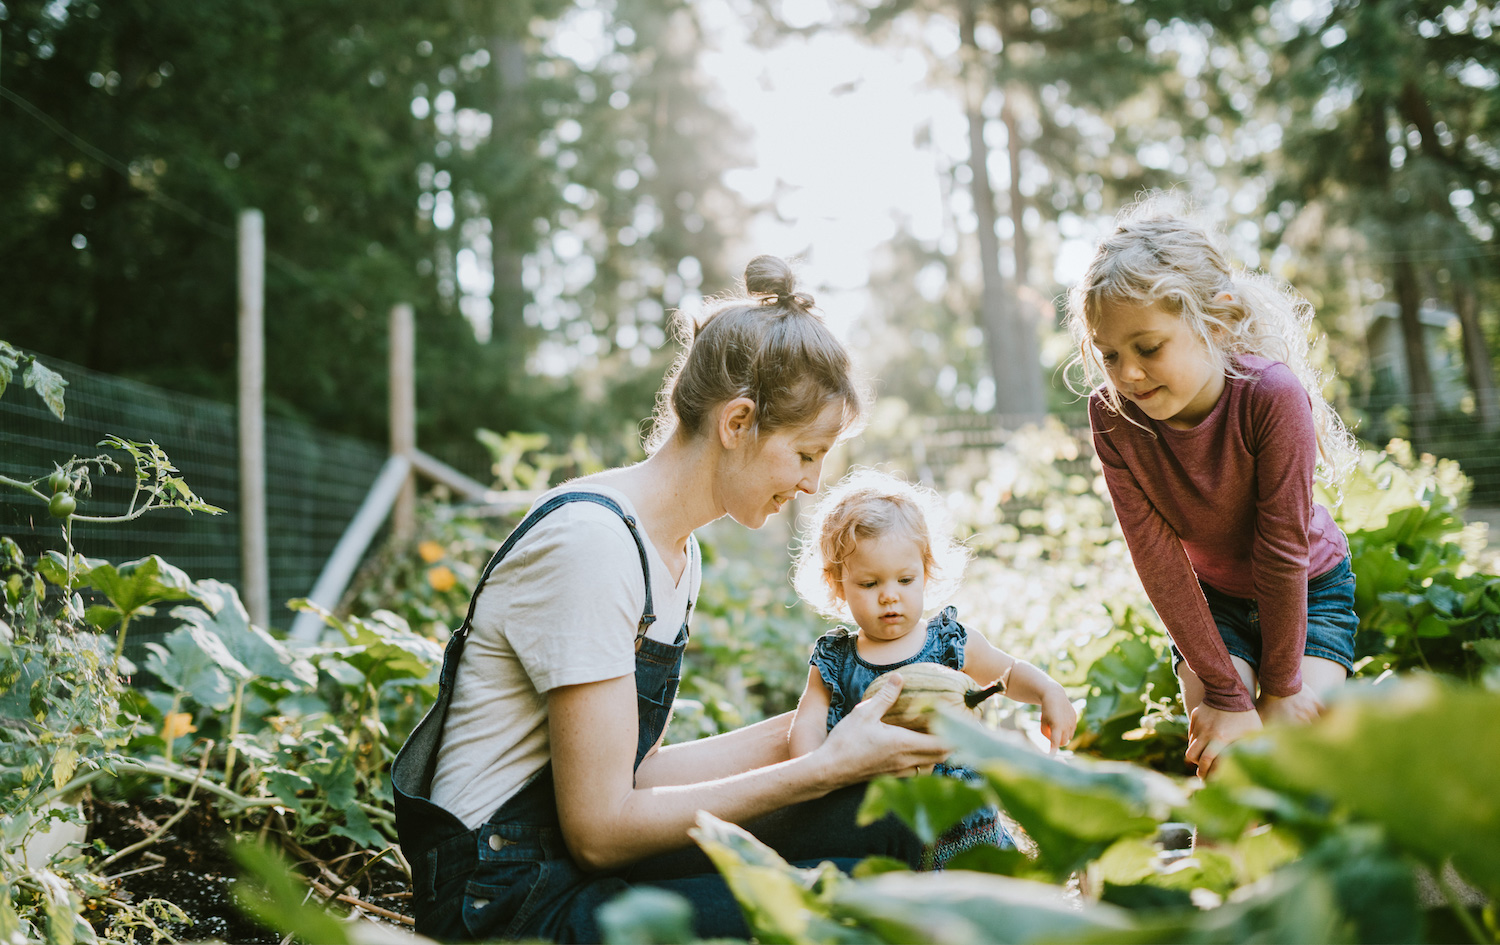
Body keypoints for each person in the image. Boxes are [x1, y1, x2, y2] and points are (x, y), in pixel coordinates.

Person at [391, 256, 951, 943]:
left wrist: (839, 717)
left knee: (892, 819)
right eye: (806, 454)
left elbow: (638, 773)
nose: (812, 484)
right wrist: (821, 768)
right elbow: (600, 829)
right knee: (854, 905)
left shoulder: (673, 551)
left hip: (566, 862)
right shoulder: (594, 544)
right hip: (504, 902)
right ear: (737, 422)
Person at [1065, 197, 1360, 779]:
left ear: (1216, 323)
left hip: (1309, 590)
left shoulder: (1271, 396)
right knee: (1228, 762)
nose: (1128, 373)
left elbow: (1282, 551)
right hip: (1212, 604)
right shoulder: (1113, 417)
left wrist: (1281, 688)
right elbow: (1158, 561)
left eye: (1149, 348)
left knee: (1292, 759)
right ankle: (1219, 843)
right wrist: (1227, 695)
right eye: (1110, 355)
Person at [786, 469, 1078, 868]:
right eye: (870, 584)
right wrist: (813, 771)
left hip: (967, 824)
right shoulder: (836, 661)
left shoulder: (948, 643)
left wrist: (1047, 691)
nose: (890, 596)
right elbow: (807, 722)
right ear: (838, 584)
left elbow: (1007, 672)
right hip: (888, 827)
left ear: (926, 573)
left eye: (905, 580)